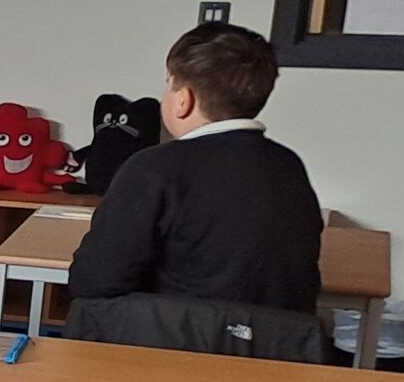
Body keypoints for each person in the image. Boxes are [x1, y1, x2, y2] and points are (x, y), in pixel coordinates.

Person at [66, 20, 322, 311]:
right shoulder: (288, 165)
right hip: (271, 348)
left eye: (168, 84)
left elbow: (95, 281)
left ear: (183, 101)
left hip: (170, 344)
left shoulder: (153, 169)